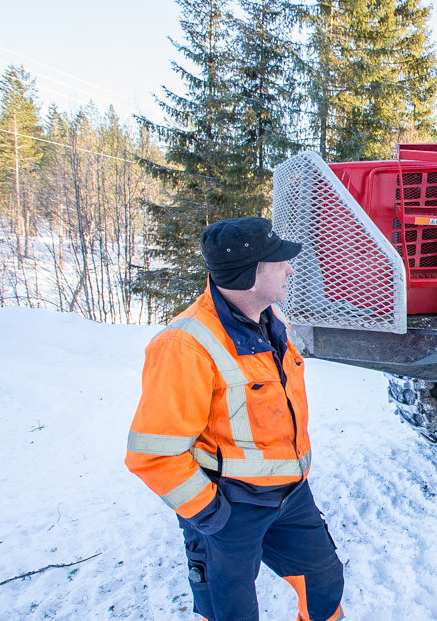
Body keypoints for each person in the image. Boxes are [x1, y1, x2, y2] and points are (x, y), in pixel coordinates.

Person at [125, 217, 344, 621]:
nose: (290, 270)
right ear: (250, 275)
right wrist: (212, 515)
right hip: (229, 505)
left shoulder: (274, 323)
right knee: (232, 611)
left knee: (325, 584)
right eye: (279, 263)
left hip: (291, 496)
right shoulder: (184, 346)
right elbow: (152, 454)